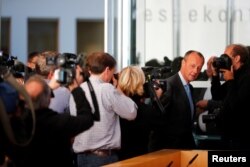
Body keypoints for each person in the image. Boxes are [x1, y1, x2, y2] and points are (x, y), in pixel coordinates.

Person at [1, 74, 95, 167]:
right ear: (49, 99)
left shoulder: (14, 127)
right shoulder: (60, 122)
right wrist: (75, 89)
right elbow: (87, 119)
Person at [69, 52, 137, 167]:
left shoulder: (77, 90)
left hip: (81, 158)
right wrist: (118, 89)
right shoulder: (107, 89)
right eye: (113, 72)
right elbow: (131, 113)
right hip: (103, 158)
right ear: (107, 70)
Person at [149, 50, 205, 151]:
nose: (196, 71)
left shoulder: (190, 88)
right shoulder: (169, 86)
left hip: (185, 149)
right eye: (193, 66)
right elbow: (157, 121)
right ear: (183, 63)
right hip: (169, 150)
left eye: (199, 68)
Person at [117, 66, 163, 160]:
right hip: (140, 159)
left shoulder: (114, 107)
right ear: (141, 84)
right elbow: (163, 125)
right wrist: (156, 99)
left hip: (117, 160)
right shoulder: (146, 111)